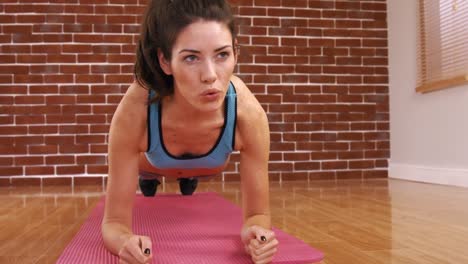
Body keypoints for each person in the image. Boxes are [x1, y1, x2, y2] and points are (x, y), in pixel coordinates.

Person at [101, 0, 279, 263]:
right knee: (147, 172)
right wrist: (125, 242)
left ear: (236, 52)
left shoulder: (247, 113)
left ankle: (188, 180)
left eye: (222, 55)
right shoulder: (135, 110)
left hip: (208, 166)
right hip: (152, 164)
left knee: (189, 178)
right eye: (191, 57)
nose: (210, 75)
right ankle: (150, 180)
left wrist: (256, 233)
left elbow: (257, 215)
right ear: (165, 61)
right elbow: (114, 222)